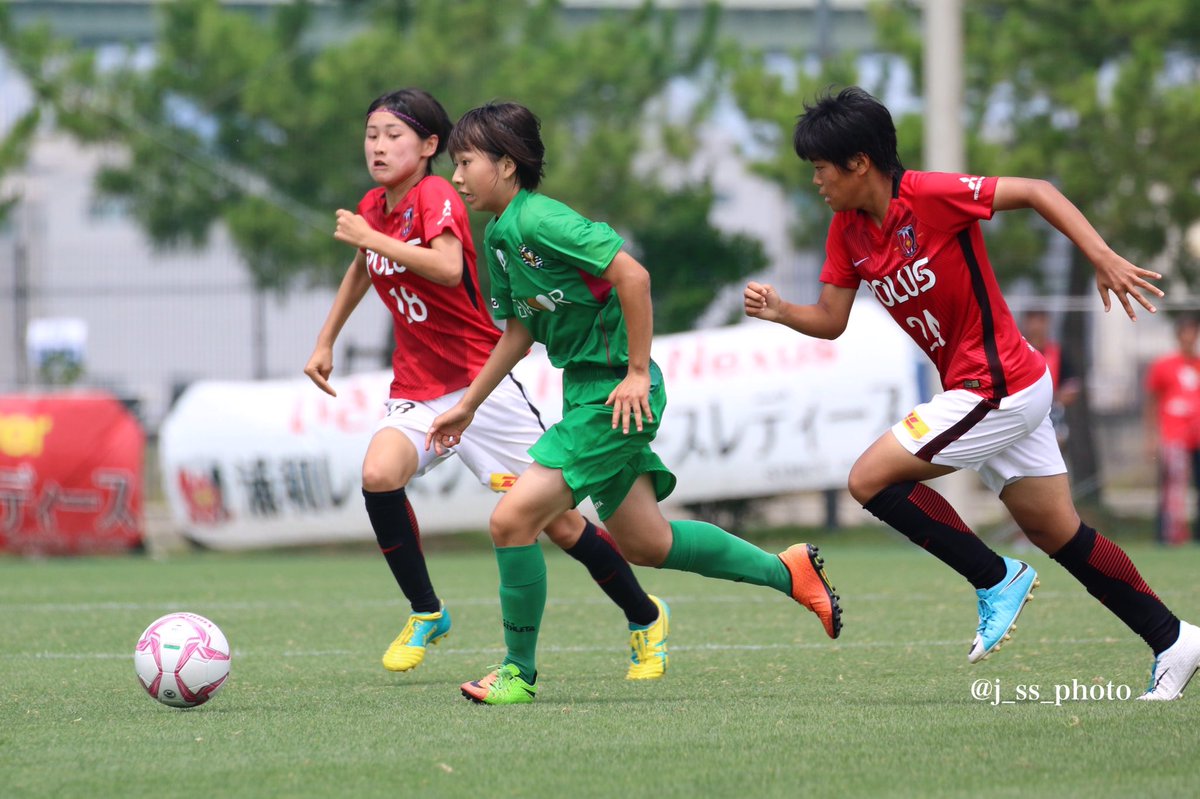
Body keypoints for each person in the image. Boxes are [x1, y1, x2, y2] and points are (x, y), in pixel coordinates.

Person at [743, 86, 1199, 700]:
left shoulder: (929, 196)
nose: (816, 181)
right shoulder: (847, 231)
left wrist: (1102, 256)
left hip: (999, 384)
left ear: (859, 162)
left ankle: (994, 577)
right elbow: (830, 320)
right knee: (1057, 532)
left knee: (868, 480)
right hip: (992, 390)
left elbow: (1036, 191)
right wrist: (781, 311)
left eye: (822, 168)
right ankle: (1174, 638)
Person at [427, 101, 842, 706]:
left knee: (510, 521)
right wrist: (468, 406)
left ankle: (518, 674)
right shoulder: (499, 237)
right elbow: (519, 332)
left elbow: (634, 277)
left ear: (507, 165)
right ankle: (790, 571)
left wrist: (638, 372)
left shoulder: (541, 220)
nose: (457, 176)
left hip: (616, 397)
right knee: (648, 544)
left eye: (465, 162)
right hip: (586, 394)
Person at [304, 88, 672, 682]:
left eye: (393, 135)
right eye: (371, 135)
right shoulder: (374, 205)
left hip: (482, 385)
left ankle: (645, 614)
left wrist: (372, 240)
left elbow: (448, 267)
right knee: (378, 474)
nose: (378, 146)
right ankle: (427, 612)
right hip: (419, 388)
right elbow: (363, 268)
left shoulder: (437, 194)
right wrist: (326, 339)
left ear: (429, 145)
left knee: (558, 523)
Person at [1144, 314, 1200, 546]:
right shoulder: (1163, 365)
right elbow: (1152, 402)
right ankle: (1169, 536)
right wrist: (1151, 437)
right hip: (1175, 436)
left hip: (1197, 436)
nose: (1190, 337)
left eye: (1193, 332)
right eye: (1186, 332)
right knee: (1173, 488)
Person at [1019, 309, 1080, 446]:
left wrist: (1054, 401)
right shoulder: (1017, 354)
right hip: (1022, 415)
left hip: (1052, 417)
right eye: (1031, 321)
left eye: (1040, 321)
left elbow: (1072, 387)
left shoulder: (1058, 353)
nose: (1035, 327)